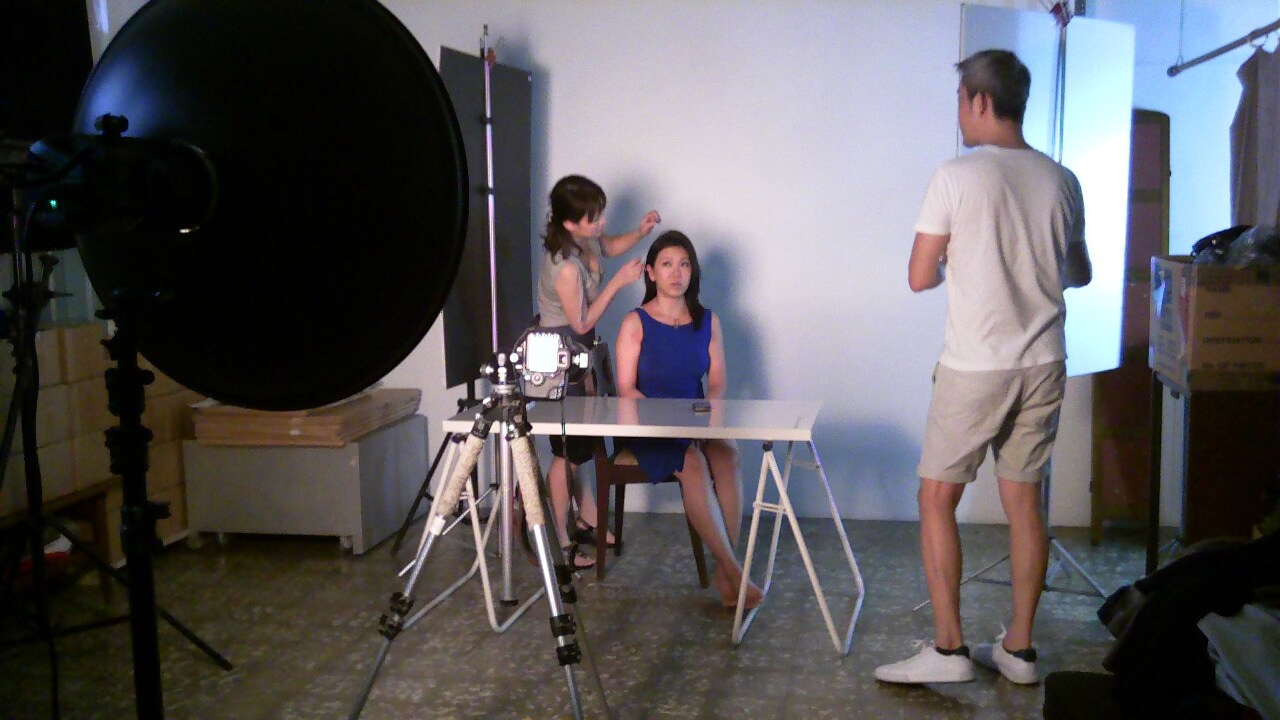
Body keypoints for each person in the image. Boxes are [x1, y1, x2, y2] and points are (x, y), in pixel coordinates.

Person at [873, 49, 1091, 686]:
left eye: (961, 100)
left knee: (936, 496)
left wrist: (961, 260)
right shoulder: (1062, 179)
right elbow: (1079, 273)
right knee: (1025, 502)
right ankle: (1019, 650)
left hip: (976, 364)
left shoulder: (956, 176)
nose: (960, 113)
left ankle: (949, 650)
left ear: (980, 101)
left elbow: (919, 277)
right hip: (1044, 360)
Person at [614, 230, 763, 610]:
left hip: (696, 420)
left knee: (728, 456)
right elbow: (626, 389)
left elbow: (718, 382)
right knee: (693, 463)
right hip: (649, 426)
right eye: (667, 264)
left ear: (692, 272)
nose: (676, 272)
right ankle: (733, 573)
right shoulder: (635, 322)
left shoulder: (708, 321)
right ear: (651, 272)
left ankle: (725, 569)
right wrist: (667, 421)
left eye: (684, 264)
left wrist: (709, 412)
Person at [536, 174, 660, 568]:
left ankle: (587, 517)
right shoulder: (565, 268)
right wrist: (620, 282)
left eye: (601, 214)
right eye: (594, 218)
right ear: (570, 223)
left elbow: (608, 245)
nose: (601, 222)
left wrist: (640, 232)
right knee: (568, 452)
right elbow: (581, 322)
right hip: (560, 358)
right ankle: (559, 541)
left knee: (585, 443)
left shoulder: (584, 238)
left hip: (581, 354)